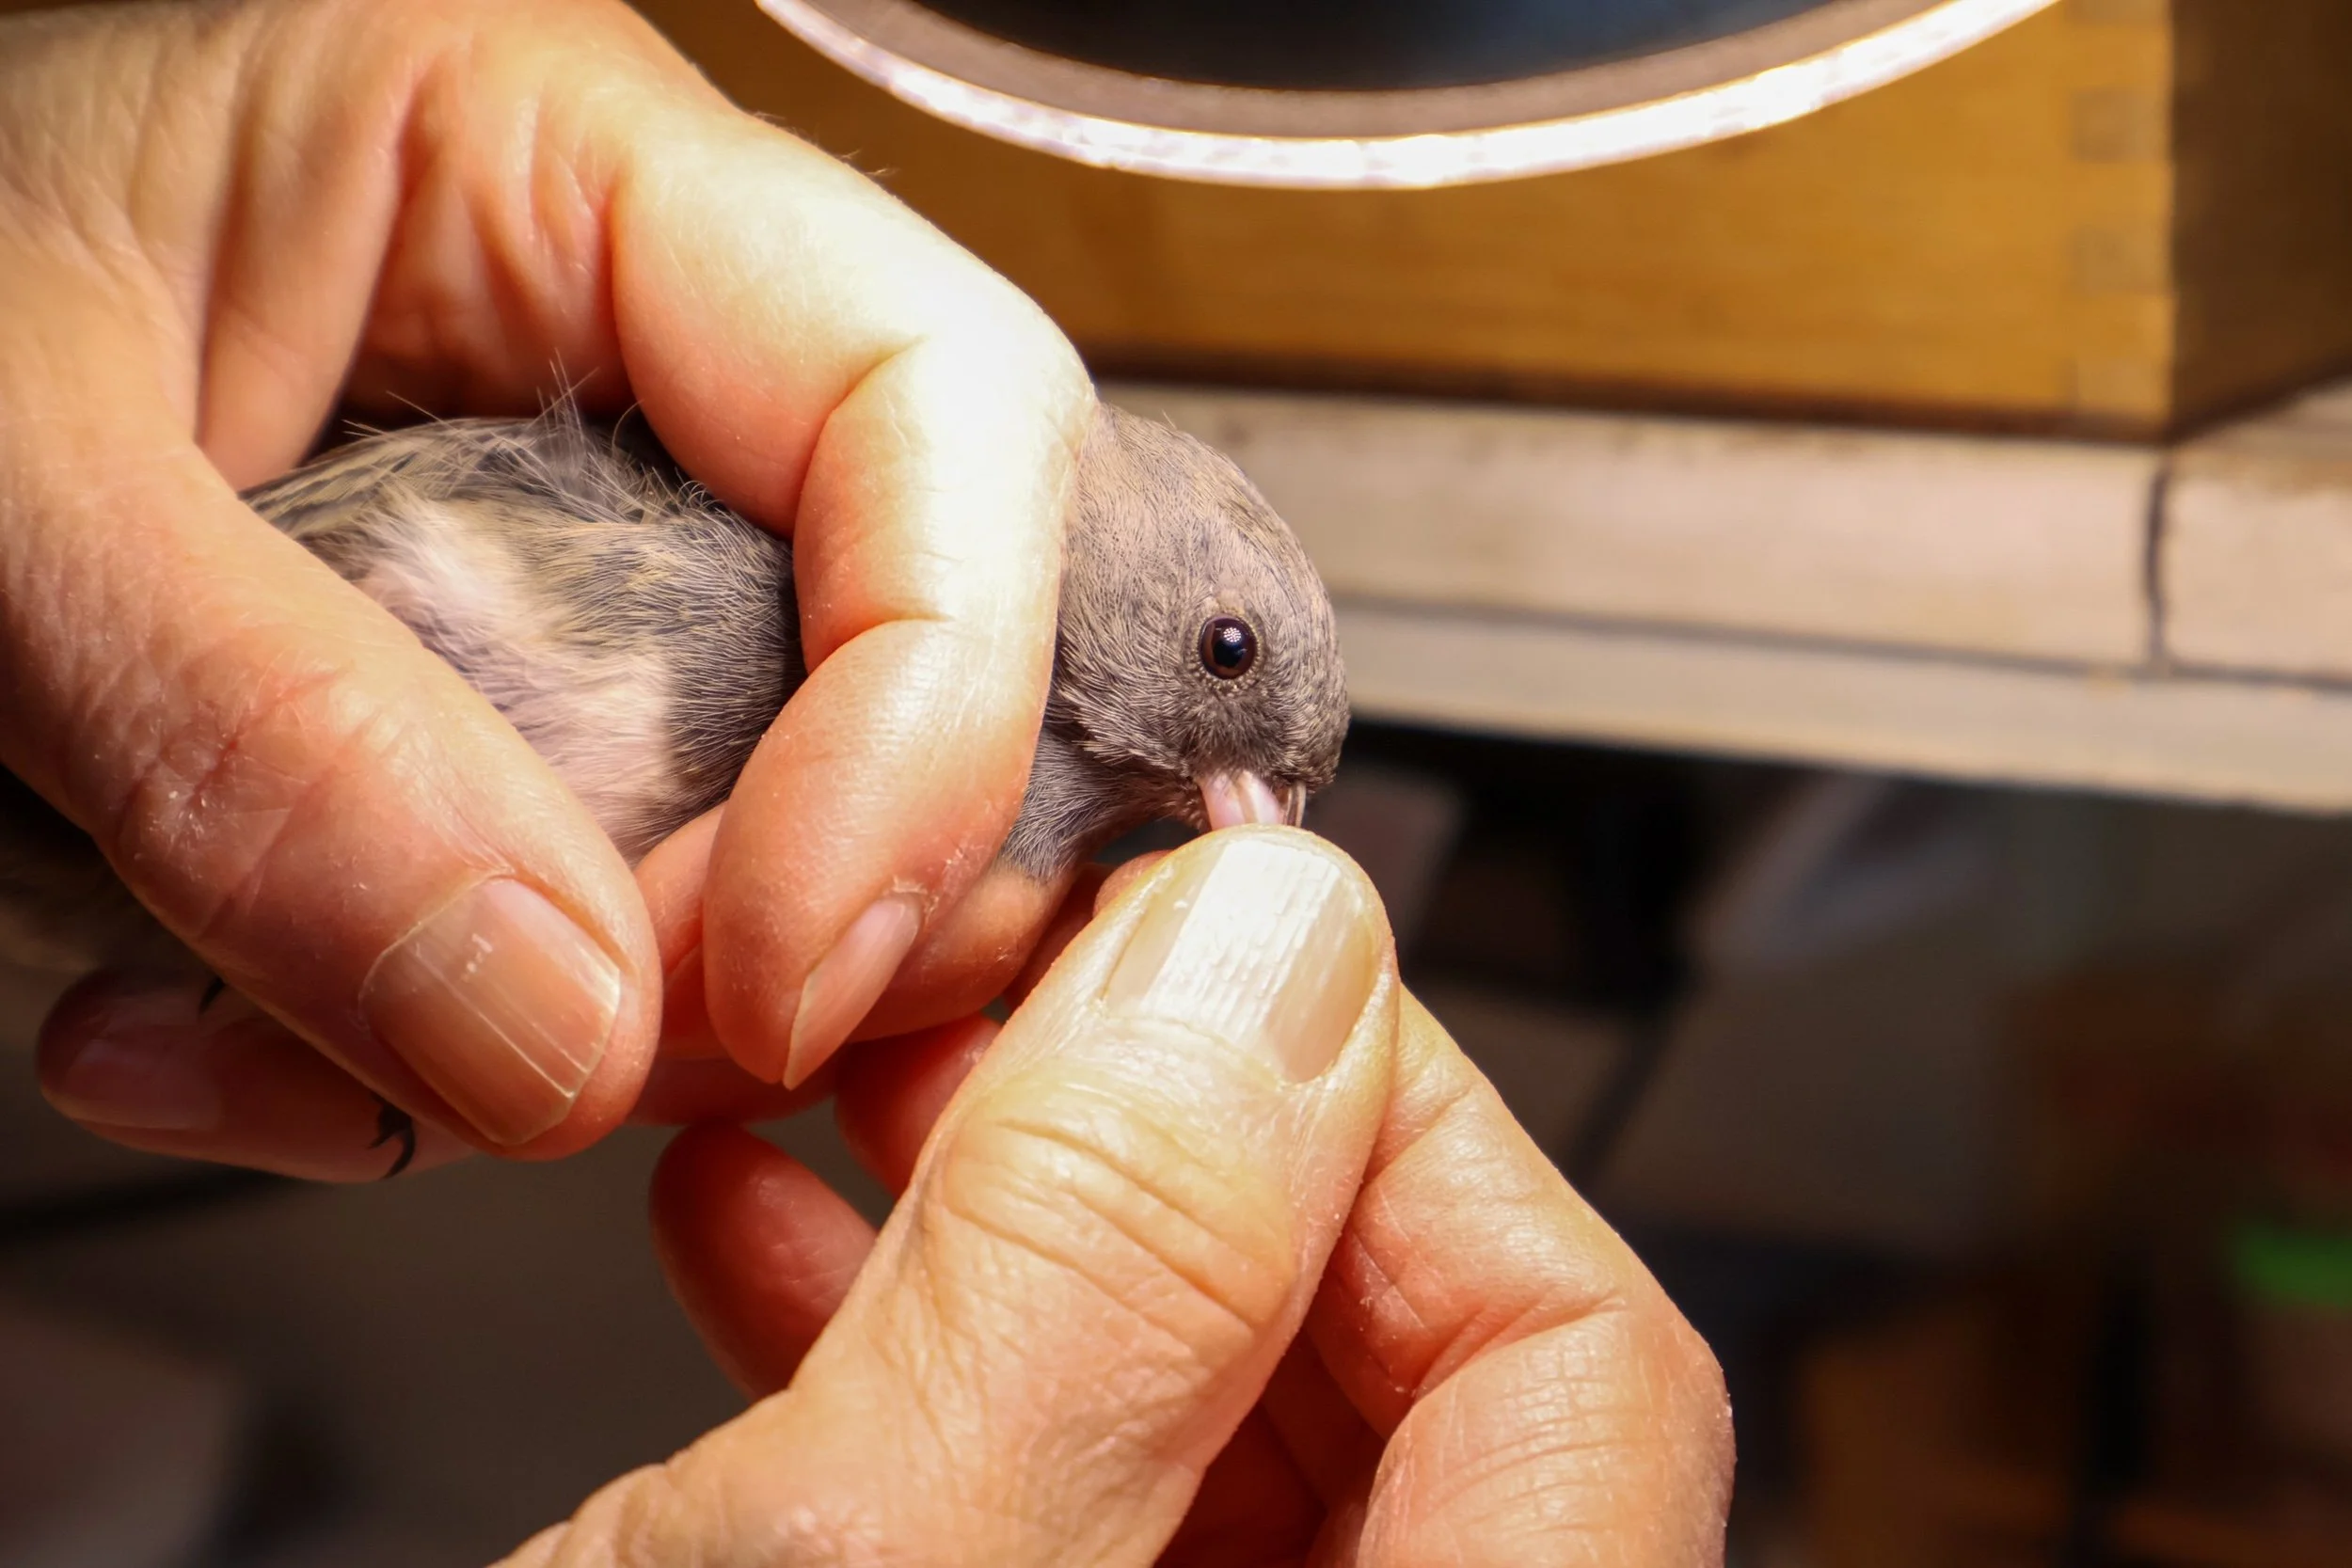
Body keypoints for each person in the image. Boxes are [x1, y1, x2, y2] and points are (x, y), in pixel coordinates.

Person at [0, 0, 1732, 1560]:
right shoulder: (805, 516)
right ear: (1123, 547)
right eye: (1225, 664)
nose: (1238, 807)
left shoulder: (991, 829)